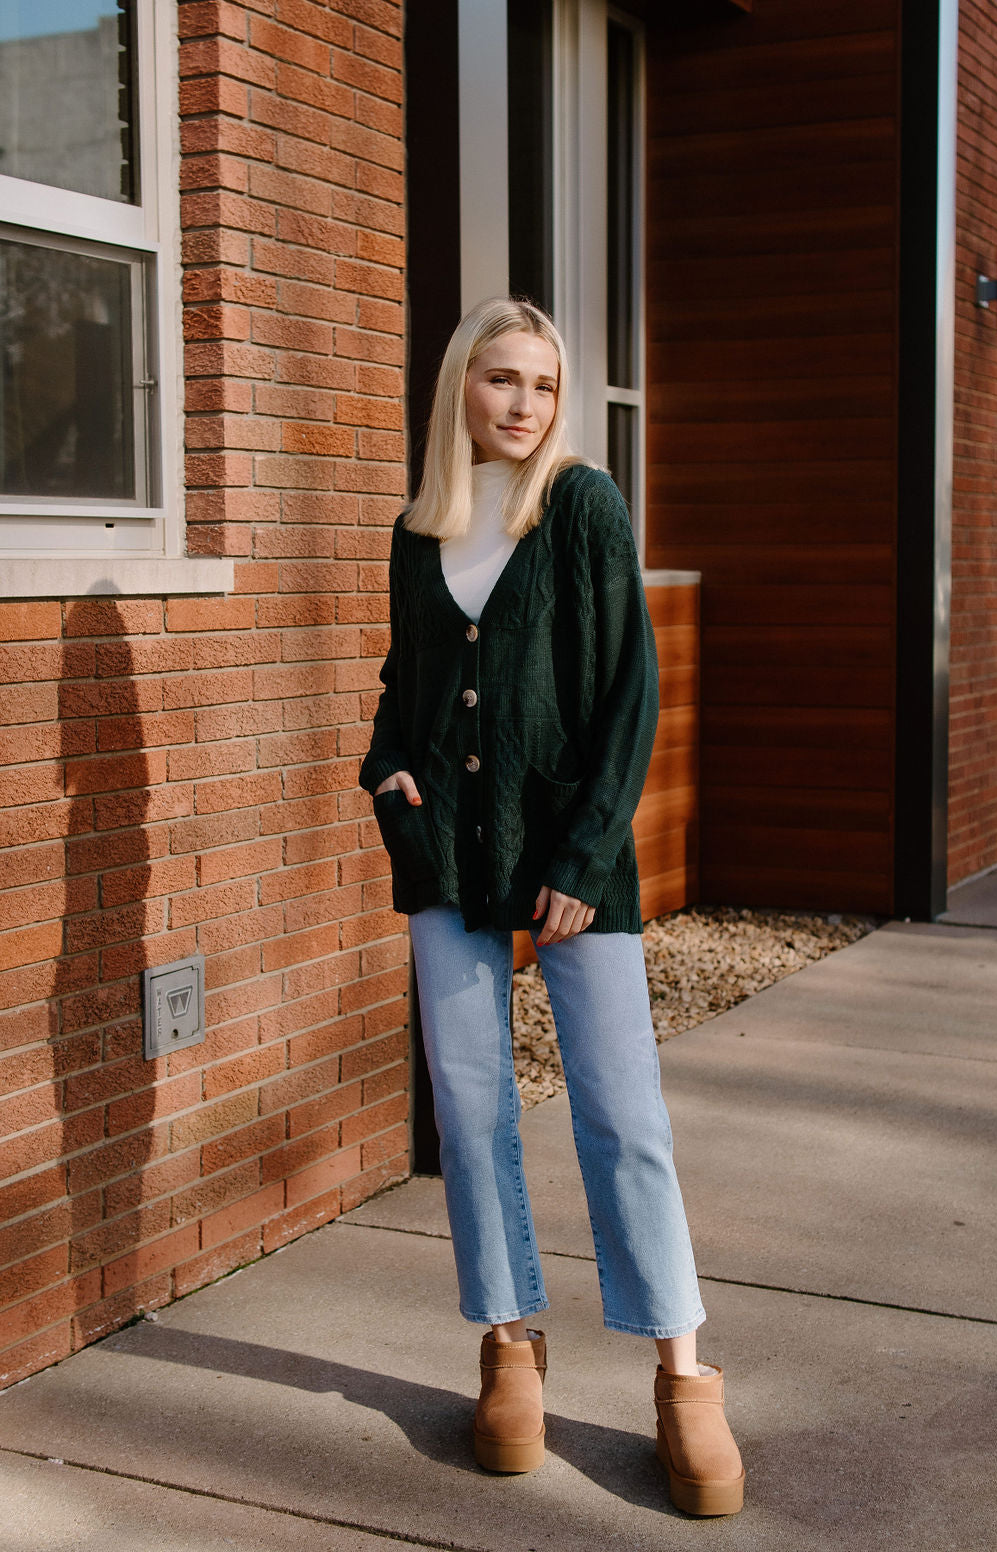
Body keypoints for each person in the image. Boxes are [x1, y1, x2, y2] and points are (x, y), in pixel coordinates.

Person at [357, 297, 744, 1517]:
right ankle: (510, 1340)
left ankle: (682, 1369)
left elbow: (631, 687)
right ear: (457, 391)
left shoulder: (580, 503)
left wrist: (582, 858)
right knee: (472, 1110)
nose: (521, 404)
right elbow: (398, 687)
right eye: (498, 380)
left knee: (622, 1112)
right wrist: (387, 779)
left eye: (540, 382)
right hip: (446, 860)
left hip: (571, 861)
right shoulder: (420, 531)